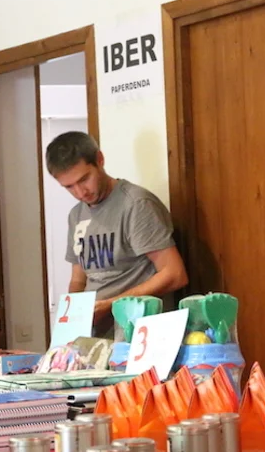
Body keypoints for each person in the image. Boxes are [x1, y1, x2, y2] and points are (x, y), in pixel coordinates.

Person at [45, 131, 188, 337]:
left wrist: (110, 305)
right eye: (69, 187)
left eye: (84, 179)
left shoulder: (136, 204)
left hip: (138, 336)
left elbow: (174, 274)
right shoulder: (76, 215)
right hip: (95, 338)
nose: (80, 192)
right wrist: (72, 321)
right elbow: (78, 279)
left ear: (99, 160)